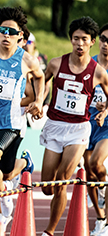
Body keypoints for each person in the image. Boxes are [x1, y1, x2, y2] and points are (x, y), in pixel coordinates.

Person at [0, 7, 44, 218]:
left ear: (20, 35)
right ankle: (24, 164)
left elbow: (40, 77)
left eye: (12, 32)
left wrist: (39, 100)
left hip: (9, 123)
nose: (7, 35)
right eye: (3, 30)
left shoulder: (27, 60)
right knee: (3, 173)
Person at [40, 17, 108, 236]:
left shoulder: (98, 72)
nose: (79, 43)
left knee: (61, 179)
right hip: (55, 125)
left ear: (91, 42)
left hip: (79, 129)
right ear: (71, 39)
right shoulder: (56, 63)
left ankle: (49, 231)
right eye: (76, 38)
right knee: (47, 188)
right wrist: (39, 100)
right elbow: (43, 80)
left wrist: (104, 111)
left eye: (84, 39)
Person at [83, 23, 108, 236]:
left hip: (106, 124)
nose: (106, 44)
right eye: (104, 39)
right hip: (85, 122)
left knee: (96, 163)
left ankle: (103, 185)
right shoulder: (88, 65)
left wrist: (105, 111)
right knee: (88, 172)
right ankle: (100, 218)